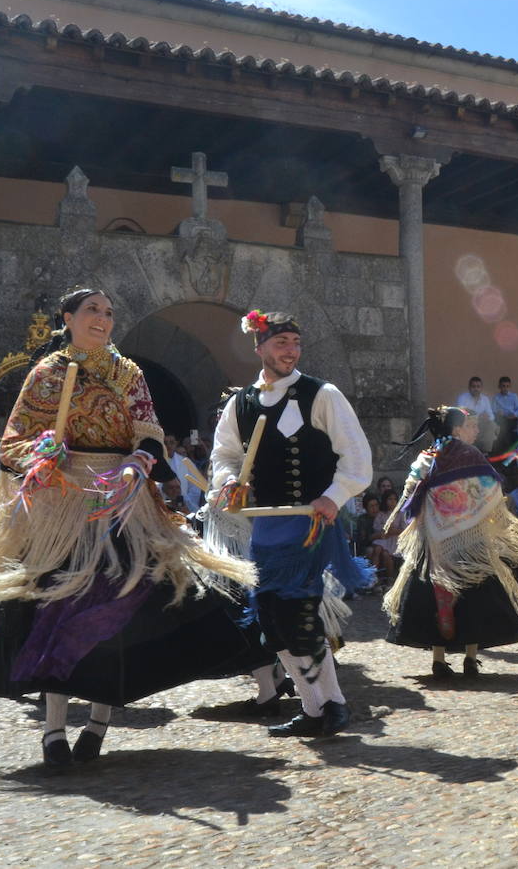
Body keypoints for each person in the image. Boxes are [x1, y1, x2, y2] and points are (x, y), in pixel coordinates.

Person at [0, 287, 257, 771]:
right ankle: (54, 729)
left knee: (116, 614)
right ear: (68, 318)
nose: (103, 318)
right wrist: (42, 455)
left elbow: (150, 431)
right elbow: (13, 441)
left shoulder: (128, 372)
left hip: (122, 503)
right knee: (57, 612)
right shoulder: (46, 373)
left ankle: (97, 723)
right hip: (63, 506)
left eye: (109, 312)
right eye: (92, 310)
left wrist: (137, 463)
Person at [212, 309, 374, 738]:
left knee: (299, 616)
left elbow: (357, 459)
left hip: (310, 523)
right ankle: (312, 707)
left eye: (295, 344)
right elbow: (224, 456)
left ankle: (334, 705)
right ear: (259, 347)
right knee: (271, 622)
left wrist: (332, 496)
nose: (290, 351)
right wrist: (229, 483)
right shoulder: (240, 403)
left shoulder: (322, 394)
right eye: (281, 343)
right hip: (265, 526)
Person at [384, 406, 518, 676]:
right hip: (469, 542)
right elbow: (491, 487)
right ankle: (470, 659)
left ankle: (439, 659)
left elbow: (411, 489)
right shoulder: (470, 455)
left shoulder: (428, 456)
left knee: (433, 594)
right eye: (471, 426)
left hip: (434, 543)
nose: (475, 431)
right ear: (457, 429)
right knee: (474, 597)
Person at [163, 433, 206, 512]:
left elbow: (195, 486)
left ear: (176, 443)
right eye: (165, 443)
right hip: (163, 505)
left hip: (184, 505)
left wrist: (186, 501)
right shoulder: (156, 462)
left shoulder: (186, 462)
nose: (168, 446)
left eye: (171, 442)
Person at [455, 376, 496, 453]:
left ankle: (485, 452)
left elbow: (492, 416)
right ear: (469, 388)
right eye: (473, 386)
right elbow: (460, 414)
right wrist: (477, 417)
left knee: (492, 425)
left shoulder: (485, 399)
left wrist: (487, 417)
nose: (476, 389)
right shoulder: (462, 398)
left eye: (478, 386)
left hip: (482, 424)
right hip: (468, 424)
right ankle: (467, 450)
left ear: (481, 388)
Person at [491, 376, 518, 462]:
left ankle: (515, 459)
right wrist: (499, 413)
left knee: (514, 437)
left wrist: (514, 415)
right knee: (502, 437)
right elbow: (493, 410)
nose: (505, 388)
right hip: (501, 420)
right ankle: (503, 457)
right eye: (503, 386)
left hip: (512, 419)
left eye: (507, 386)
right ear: (499, 387)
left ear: (509, 387)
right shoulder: (496, 398)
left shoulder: (514, 396)